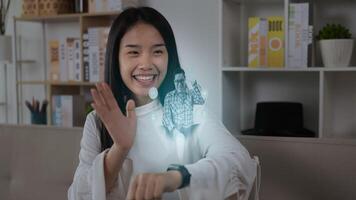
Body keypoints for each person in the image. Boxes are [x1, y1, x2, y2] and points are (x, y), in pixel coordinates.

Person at [68, 6, 257, 200]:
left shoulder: (189, 109)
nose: (146, 64)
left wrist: (174, 178)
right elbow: (78, 195)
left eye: (157, 51)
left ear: (169, 56)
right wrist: (120, 148)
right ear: (116, 58)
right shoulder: (98, 121)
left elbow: (238, 162)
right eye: (134, 53)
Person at [162, 70, 205, 135]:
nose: (179, 84)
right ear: (174, 82)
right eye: (177, 81)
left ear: (185, 80)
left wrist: (194, 86)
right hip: (175, 130)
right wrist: (174, 131)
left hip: (189, 129)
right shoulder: (169, 96)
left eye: (181, 80)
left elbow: (201, 101)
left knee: (202, 128)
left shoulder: (191, 93)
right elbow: (166, 117)